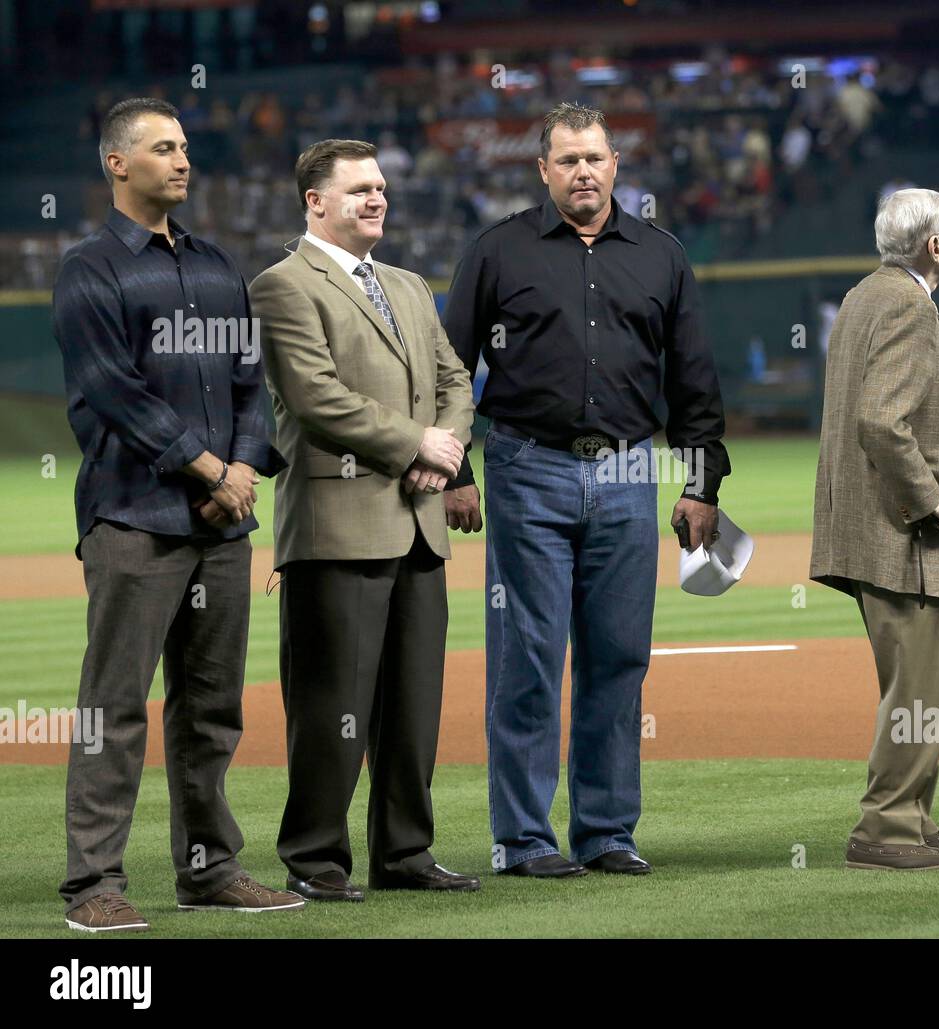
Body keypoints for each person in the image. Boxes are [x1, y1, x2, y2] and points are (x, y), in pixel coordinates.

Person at [441, 102, 730, 878]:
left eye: (595, 159)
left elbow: (695, 381)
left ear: (616, 166)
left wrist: (700, 484)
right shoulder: (498, 250)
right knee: (528, 655)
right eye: (567, 160)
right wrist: (455, 468)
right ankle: (524, 837)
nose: (583, 172)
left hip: (633, 469)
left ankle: (605, 831)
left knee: (618, 657)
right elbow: (447, 367)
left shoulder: (661, 254)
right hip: (527, 465)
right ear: (543, 171)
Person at [53, 97, 301, 932]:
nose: (183, 160)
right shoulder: (91, 267)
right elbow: (110, 389)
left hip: (220, 527)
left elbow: (249, 385)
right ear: (117, 164)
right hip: (133, 516)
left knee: (210, 707)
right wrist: (205, 465)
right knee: (113, 705)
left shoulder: (218, 265)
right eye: (164, 148)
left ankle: (209, 868)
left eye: (186, 146)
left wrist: (241, 465)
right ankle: (94, 883)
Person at [249, 139, 479, 901]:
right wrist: (416, 441)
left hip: (418, 523)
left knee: (414, 703)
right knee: (331, 705)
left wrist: (440, 453)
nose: (376, 199)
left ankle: (406, 852)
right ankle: (315, 856)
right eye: (358, 190)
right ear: (314, 202)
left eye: (381, 187)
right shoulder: (282, 285)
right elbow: (315, 398)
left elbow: (454, 379)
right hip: (336, 527)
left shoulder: (409, 285)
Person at [810, 188, 939, 872]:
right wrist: (932, 499)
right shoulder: (910, 305)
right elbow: (882, 420)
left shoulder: (865, 294)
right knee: (919, 685)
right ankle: (886, 827)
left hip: (866, 525)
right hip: (904, 533)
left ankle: (912, 814)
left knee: (919, 681)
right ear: (931, 246)